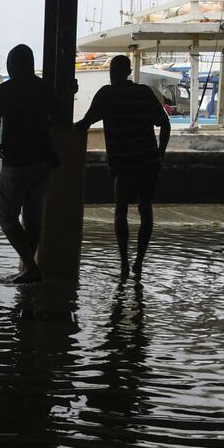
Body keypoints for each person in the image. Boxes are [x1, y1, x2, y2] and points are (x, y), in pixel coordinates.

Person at [74, 55, 171, 281]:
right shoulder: (144, 93)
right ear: (128, 72)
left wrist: (59, 130)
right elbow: (164, 123)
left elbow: (84, 124)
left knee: (121, 211)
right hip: (147, 162)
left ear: (114, 72)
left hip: (123, 165)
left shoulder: (106, 95)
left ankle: (125, 263)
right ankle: (138, 263)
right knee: (145, 210)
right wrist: (160, 154)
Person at [0, 44, 57, 284]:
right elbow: (58, 116)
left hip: (16, 161)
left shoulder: (5, 90)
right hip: (43, 162)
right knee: (33, 217)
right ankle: (29, 265)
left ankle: (29, 265)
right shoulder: (45, 89)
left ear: (13, 65)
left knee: (6, 216)